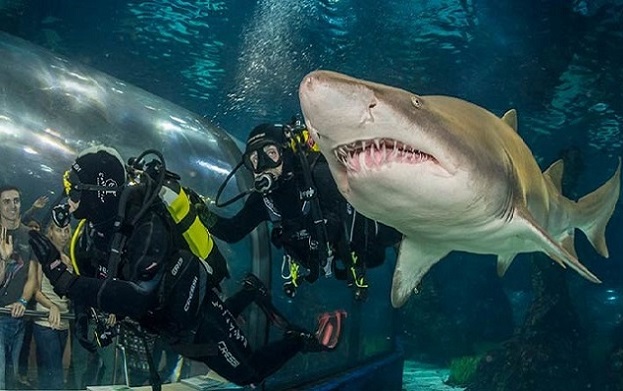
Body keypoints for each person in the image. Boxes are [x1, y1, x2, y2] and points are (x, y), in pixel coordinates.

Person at [28, 145, 340, 388]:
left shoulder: (146, 227)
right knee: (206, 348)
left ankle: (298, 340)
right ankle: (249, 291)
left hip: (197, 313)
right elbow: (90, 279)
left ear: (100, 193)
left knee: (248, 373)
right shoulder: (84, 239)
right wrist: (82, 316)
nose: (67, 199)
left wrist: (63, 281)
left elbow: (140, 297)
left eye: (74, 189)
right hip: (168, 326)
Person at [207, 121, 401, 301]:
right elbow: (231, 232)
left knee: (385, 241)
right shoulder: (264, 201)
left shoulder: (320, 176)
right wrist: (196, 211)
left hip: (359, 243)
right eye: (255, 160)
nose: (264, 165)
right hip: (322, 258)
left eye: (271, 154)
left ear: (286, 152)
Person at [0, 185, 38, 389]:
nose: (12, 206)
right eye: (6, 201)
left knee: (13, 376)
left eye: (16, 200)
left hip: (18, 317)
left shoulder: (28, 235)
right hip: (0, 314)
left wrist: (23, 300)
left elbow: (32, 277)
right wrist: (4, 260)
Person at [33, 205, 73, 389]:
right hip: (45, 322)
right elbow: (36, 291)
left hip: (63, 322)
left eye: (66, 230)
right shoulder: (42, 254)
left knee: (48, 379)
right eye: (59, 230)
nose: (63, 234)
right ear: (50, 231)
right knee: (56, 380)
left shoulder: (69, 259)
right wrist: (52, 306)